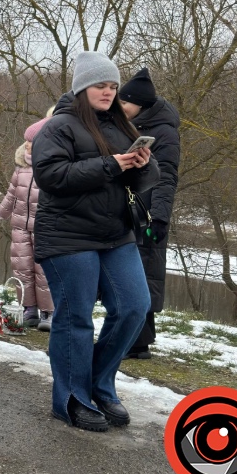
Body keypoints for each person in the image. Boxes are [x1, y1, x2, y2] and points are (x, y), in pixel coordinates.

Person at [32, 51, 158, 432]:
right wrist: (111, 165)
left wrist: (141, 165)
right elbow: (52, 176)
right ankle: (70, 399)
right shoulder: (59, 127)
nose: (108, 91)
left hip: (115, 234)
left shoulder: (122, 127)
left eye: (113, 86)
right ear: (83, 87)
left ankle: (100, 385)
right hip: (68, 236)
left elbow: (143, 183)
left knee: (135, 307)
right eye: (100, 85)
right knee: (76, 319)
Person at [119, 69, 180, 360]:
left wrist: (159, 217)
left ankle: (138, 343)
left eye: (125, 103)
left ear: (139, 104)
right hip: (127, 208)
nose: (120, 107)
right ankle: (138, 340)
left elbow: (166, 177)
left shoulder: (163, 132)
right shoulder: (130, 125)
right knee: (134, 274)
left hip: (146, 212)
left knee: (143, 274)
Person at [0, 118, 54, 332]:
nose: (27, 145)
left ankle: (48, 311)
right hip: (19, 226)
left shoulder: (51, 169)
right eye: (26, 141)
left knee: (43, 270)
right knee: (22, 269)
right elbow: (11, 195)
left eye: (32, 142)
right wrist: (0, 213)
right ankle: (29, 308)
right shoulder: (21, 169)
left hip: (44, 227)